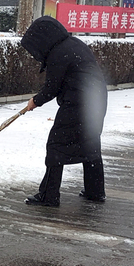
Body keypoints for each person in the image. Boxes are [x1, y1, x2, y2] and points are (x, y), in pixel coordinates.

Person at [19, 16, 108, 207]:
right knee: (90, 143)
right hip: (96, 100)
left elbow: (52, 87)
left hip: (78, 104)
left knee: (55, 146)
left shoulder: (59, 53)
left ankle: (48, 196)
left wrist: (35, 101)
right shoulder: (74, 44)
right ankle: (95, 191)